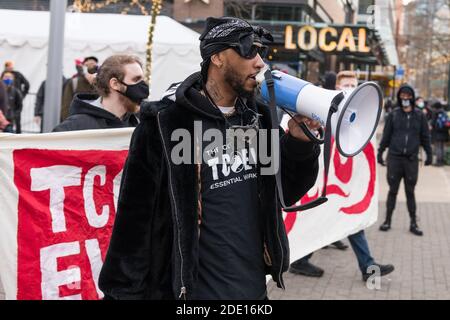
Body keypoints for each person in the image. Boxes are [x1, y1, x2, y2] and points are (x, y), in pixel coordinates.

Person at [98, 17, 321, 300]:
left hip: (252, 290)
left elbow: (285, 190)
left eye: (261, 53)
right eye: (248, 51)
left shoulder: (259, 118)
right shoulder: (166, 124)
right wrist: (123, 293)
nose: (259, 63)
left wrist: (299, 145)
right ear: (217, 57)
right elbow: (134, 220)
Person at [289, 70, 394, 281]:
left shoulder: (357, 114)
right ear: (337, 87)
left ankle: (366, 266)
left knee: (345, 220)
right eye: (345, 85)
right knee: (330, 220)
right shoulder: (321, 110)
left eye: (353, 85)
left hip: (342, 183)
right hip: (325, 181)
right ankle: (365, 266)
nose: (349, 89)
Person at [378, 84, 432, 236]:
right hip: (395, 158)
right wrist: (380, 152)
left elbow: (425, 137)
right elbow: (386, 136)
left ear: (412, 98)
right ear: (399, 97)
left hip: (411, 160)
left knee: (410, 192)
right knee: (392, 190)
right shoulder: (393, 115)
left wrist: (429, 154)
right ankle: (387, 220)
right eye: (402, 96)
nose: (405, 99)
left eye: (408, 96)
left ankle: (413, 222)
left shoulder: (419, 116)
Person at [53, 55, 143, 132]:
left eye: (142, 80)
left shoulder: (137, 124)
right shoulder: (75, 127)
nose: (143, 87)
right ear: (115, 84)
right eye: (136, 79)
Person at [60, 56, 99, 122]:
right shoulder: (74, 82)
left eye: (93, 65)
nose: (91, 67)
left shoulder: (102, 83)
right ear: (83, 67)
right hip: (77, 122)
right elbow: (66, 106)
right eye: (87, 65)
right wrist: (68, 123)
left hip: (97, 123)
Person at [430, 101, 449, 166]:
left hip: (437, 132)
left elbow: (432, 123)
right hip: (444, 132)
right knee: (442, 147)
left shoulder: (435, 113)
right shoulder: (444, 112)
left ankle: (438, 162)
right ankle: (442, 161)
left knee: (438, 147)